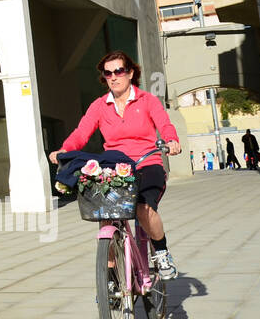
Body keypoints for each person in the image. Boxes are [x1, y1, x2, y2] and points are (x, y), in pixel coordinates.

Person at [48, 50, 181, 279]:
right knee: (106, 213)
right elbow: (82, 133)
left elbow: (165, 124)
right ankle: (110, 276)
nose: (113, 76)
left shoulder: (147, 100)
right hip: (117, 164)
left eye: (119, 71)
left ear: (130, 73)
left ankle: (161, 252)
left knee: (143, 208)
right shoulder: (99, 106)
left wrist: (172, 141)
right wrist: (65, 149)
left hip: (147, 162)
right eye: (108, 73)